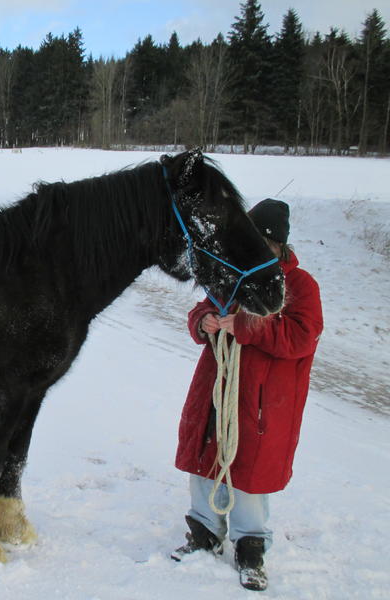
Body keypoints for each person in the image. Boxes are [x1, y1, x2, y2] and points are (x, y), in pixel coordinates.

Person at [171, 199, 324, 592]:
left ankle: (250, 550)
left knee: (250, 476)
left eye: (261, 240)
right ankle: (203, 534)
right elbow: (204, 308)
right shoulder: (233, 273)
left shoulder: (300, 286)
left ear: (277, 244)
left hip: (262, 402)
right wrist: (203, 322)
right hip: (216, 389)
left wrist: (246, 325)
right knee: (206, 460)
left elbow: (300, 337)